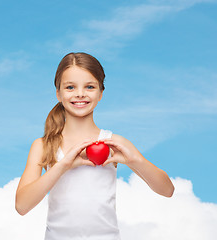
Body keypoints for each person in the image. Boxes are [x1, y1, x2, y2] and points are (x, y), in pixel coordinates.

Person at [15, 52, 175, 239]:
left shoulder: (114, 143)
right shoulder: (43, 145)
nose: (80, 93)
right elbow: (22, 206)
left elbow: (167, 190)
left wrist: (135, 160)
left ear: (100, 93)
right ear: (58, 93)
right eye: (70, 87)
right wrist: (63, 165)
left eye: (90, 86)